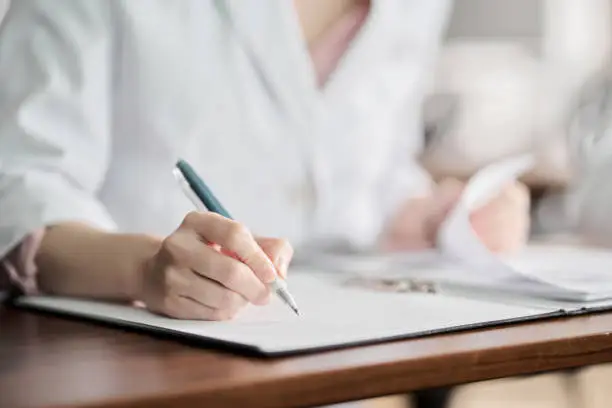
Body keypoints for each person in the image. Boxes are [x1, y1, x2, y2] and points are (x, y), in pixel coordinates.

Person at [0, 0, 532, 321]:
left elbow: (371, 169)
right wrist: (144, 269)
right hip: (129, 366)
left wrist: (438, 217)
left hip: (326, 361)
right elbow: (22, 188)